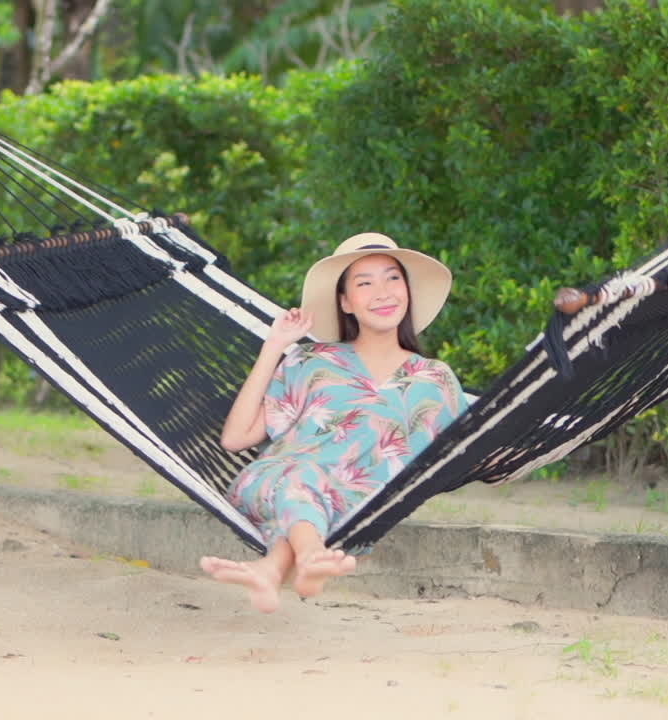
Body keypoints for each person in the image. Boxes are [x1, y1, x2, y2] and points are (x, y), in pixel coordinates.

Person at [200, 232, 469, 613]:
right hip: (279, 481)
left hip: (359, 502)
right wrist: (274, 346)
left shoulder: (434, 380)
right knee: (305, 479)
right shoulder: (310, 362)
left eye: (393, 278)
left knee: (311, 497)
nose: (383, 292)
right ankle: (311, 556)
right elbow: (235, 438)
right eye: (364, 282)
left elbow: (469, 449)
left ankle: (272, 568)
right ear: (345, 301)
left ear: (407, 291)